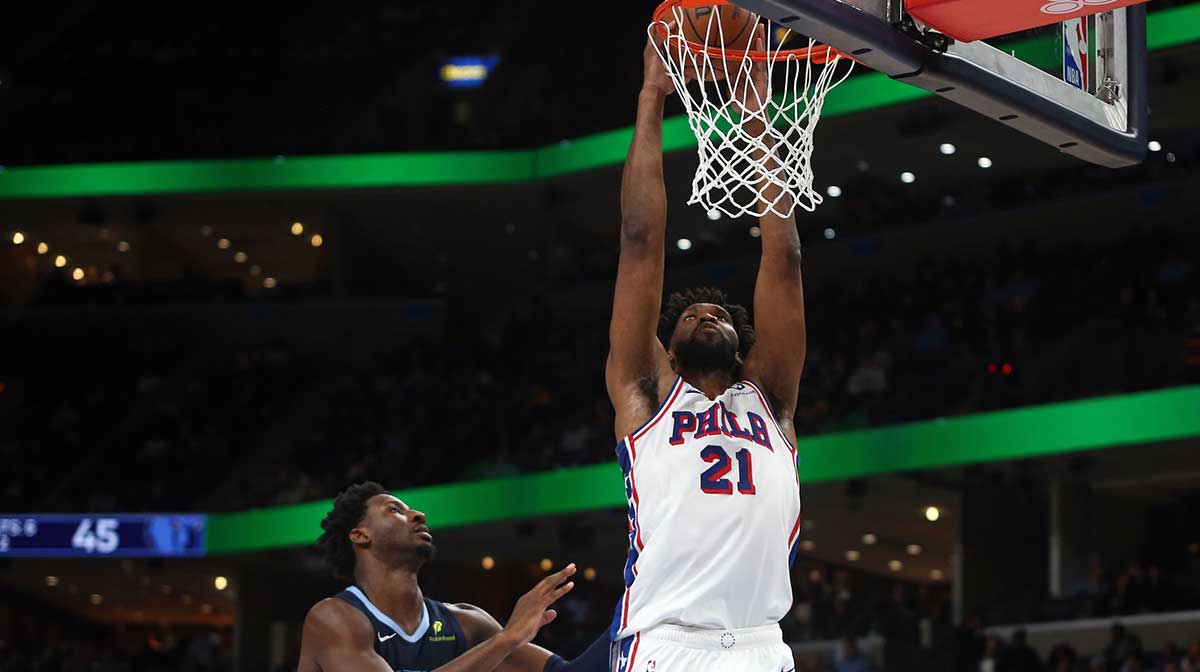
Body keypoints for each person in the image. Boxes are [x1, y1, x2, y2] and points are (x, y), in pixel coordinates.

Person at [605, 23, 808, 672]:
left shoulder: (769, 400)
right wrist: (650, 97)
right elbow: (640, 240)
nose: (705, 313)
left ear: (742, 343)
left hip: (761, 644)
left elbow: (785, 260)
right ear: (665, 348)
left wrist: (757, 117)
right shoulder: (646, 394)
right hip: (667, 642)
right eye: (691, 314)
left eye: (718, 313)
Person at [297, 482, 610, 672]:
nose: (418, 515)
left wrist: (635, 608)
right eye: (395, 510)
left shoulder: (467, 623)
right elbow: (505, 641)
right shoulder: (332, 619)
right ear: (360, 535)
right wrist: (506, 639)